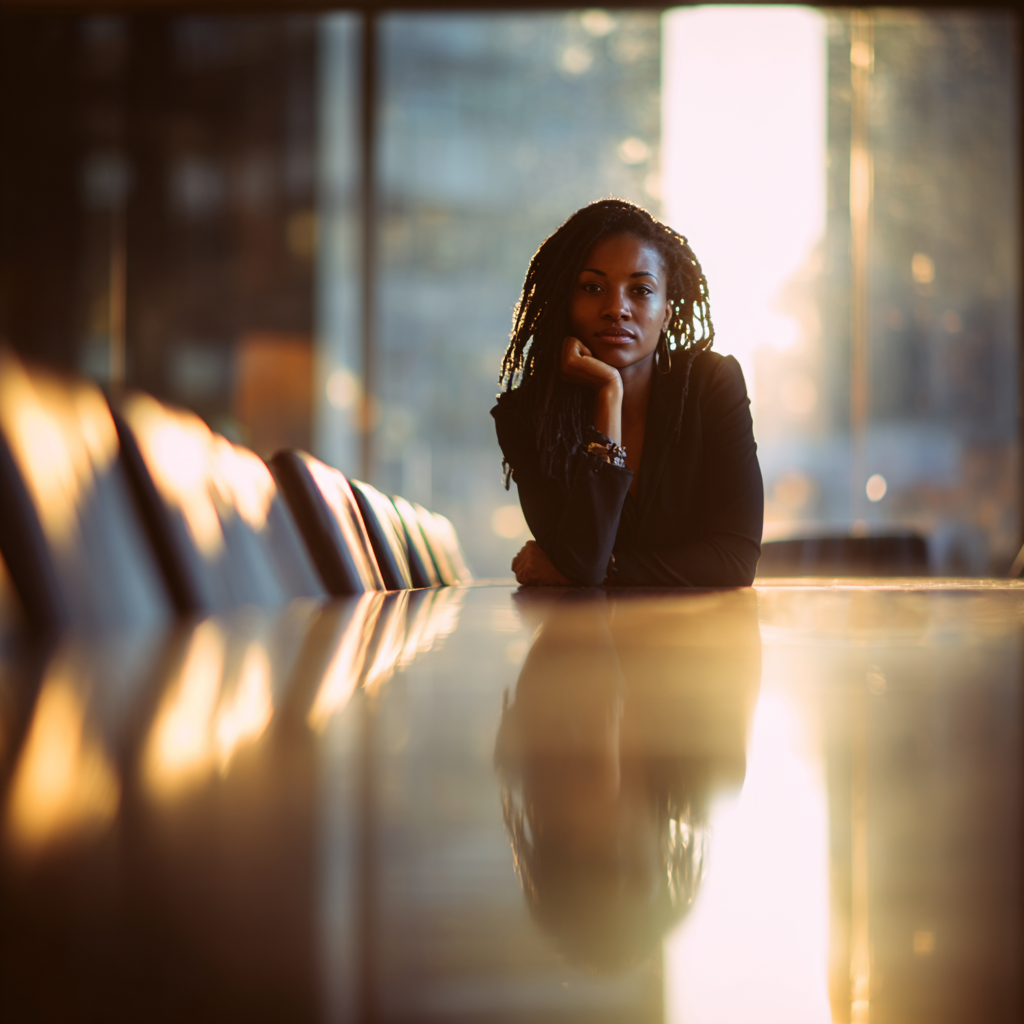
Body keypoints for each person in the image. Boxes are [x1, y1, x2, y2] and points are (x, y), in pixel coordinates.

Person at [492, 198, 763, 587]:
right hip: (585, 642)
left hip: (701, 640)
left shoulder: (712, 385)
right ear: (565, 304)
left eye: (640, 290)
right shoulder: (526, 419)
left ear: (666, 313)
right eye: (593, 287)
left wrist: (609, 569)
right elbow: (582, 565)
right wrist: (609, 392)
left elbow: (736, 560)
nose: (616, 307)